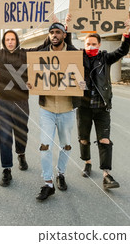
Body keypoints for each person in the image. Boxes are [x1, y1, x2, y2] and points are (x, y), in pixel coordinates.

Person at [0, 29, 51, 187]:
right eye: (7, 39)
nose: (10, 42)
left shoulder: (26, 54)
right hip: (4, 102)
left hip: (21, 102)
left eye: (13, 39)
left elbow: (44, 46)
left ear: (17, 40)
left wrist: (59, 26)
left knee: (21, 132)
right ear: (4, 42)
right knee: (5, 136)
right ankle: (6, 170)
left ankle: (21, 154)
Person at [66, 14, 130, 189]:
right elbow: (67, 46)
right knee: (83, 139)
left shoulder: (105, 58)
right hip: (84, 107)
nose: (91, 46)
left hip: (102, 107)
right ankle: (87, 162)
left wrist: (126, 32)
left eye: (94, 44)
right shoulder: (78, 56)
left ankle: (106, 174)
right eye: (88, 44)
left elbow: (122, 51)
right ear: (84, 44)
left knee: (104, 140)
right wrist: (67, 27)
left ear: (99, 45)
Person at [32, 22, 80, 201]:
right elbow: (34, 74)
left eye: (57, 32)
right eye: (51, 32)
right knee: (44, 146)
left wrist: (82, 84)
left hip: (67, 109)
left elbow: (81, 75)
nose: (54, 35)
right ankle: (48, 183)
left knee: (66, 145)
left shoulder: (75, 54)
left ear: (64, 35)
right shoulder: (41, 54)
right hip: (47, 109)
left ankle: (61, 173)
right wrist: (32, 83)